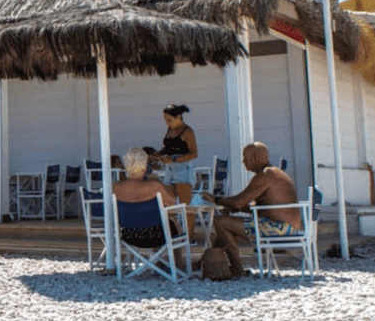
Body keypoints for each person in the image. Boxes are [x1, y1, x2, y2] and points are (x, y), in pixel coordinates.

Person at [203, 142, 302, 277]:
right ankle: (207, 261)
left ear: (255, 158)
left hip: (280, 229)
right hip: (289, 227)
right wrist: (235, 206)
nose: (243, 161)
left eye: (245, 157)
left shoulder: (265, 175)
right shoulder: (275, 172)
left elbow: (239, 201)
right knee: (226, 223)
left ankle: (237, 271)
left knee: (221, 222)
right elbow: (265, 208)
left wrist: (216, 200)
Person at [112, 148, 185, 264]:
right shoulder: (155, 185)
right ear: (144, 166)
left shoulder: (115, 187)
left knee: (151, 221)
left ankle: (158, 263)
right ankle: (177, 265)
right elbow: (172, 204)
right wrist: (161, 184)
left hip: (129, 235)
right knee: (170, 220)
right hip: (156, 235)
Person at [158, 104, 199, 169]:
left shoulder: (187, 131)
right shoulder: (170, 129)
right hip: (170, 168)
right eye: (165, 120)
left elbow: (194, 154)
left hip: (183, 168)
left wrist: (173, 159)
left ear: (178, 117)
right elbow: (168, 147)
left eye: (169, 120)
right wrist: (157, 155)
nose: (166, 123)